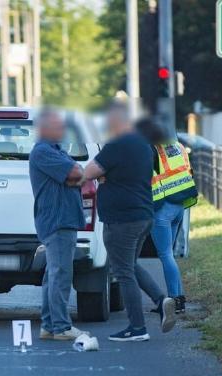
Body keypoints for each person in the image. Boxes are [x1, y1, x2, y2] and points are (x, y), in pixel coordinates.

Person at [82, 104, 175, 342]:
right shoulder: (143, 145)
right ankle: (160, 299)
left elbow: (88, 171)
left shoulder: (116, 146)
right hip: (143, 215)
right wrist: (105, 174)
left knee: (123, 271)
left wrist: (103, 176)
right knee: (130, 265)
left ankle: (137, 328)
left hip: (122, 220)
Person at [29, 108, 89, 341]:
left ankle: (49, 325)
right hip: (58, 219)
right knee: (61, 274)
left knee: (52, 275)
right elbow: (75, 171)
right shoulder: (44, 152)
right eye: (57, 125)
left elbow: (77, 173)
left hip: (60, 219)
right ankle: (62, 327)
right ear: (44, 128)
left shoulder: (55, 150)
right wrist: (77, 174)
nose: (62, 129)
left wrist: (77, 174)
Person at [136, 118, 198, 313]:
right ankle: (178, 299)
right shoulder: (178, 146)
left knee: (165, 255)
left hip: (161, 208)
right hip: (179, 205)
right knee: (169, 255)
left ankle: (175, 300)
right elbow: (188, 171)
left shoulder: (151, 151)